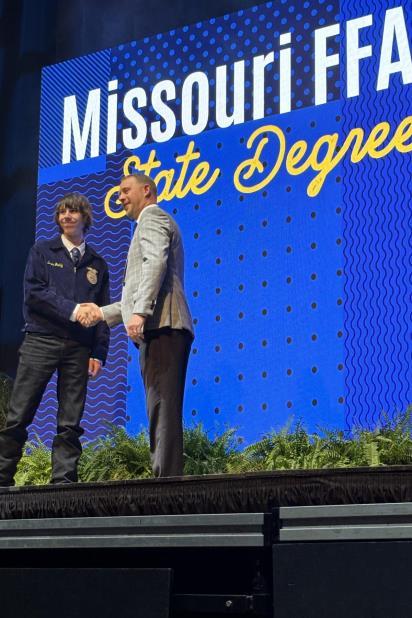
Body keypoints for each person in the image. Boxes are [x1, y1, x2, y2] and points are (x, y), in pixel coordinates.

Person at [81, 174, 193, 477]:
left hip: (164, 324)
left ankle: (166, 484)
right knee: (159, 408)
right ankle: (165, 479)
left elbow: (155, 264)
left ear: (146, 190)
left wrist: (141, 312)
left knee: (163, 408)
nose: (120, 197)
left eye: (125, 191)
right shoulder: (146, 223)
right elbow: (136, 292)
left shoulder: (152, 217)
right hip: (159, 326)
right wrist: (100, 312)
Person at [0, 193, 110, 486]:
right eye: (62, 212)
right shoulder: (42, 251)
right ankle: (2, 478)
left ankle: (63, 482)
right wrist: (73, 310)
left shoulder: (97, 263)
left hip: (79, 348)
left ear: (85, 218)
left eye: (73, 211)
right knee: (19, 414)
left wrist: (99, 352)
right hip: (41, 340)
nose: (66, 216)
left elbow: (101, 311)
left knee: (70, 422)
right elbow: (34, 294)